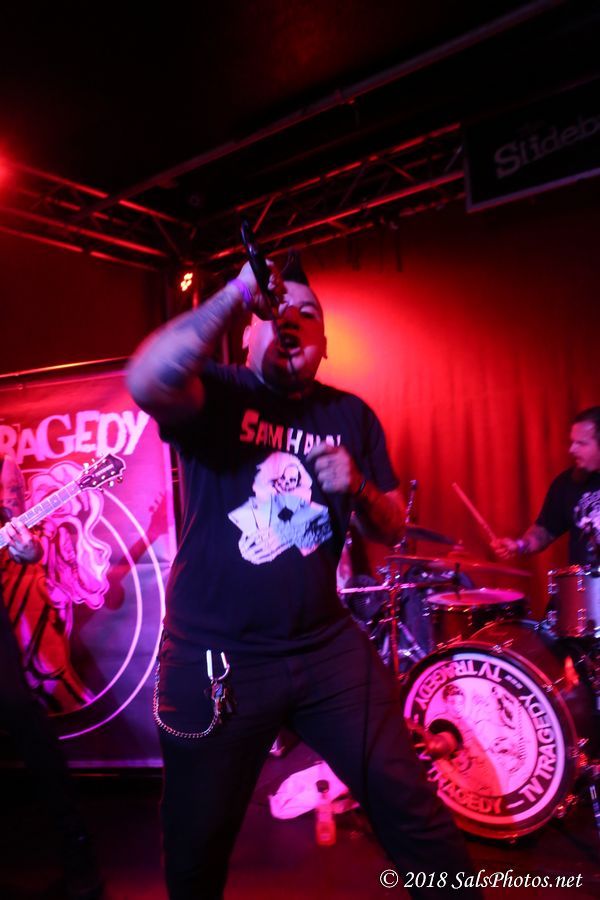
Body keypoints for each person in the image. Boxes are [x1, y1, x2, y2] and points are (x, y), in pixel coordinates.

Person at [127, 254, 483, 899]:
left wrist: (361, 488)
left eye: (308, 314)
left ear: (325, 343)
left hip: (325, 647)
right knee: (196, 844)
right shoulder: (218, 393)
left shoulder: (352, 415)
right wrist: (237, 293)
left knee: (412, 809)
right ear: (247, 334)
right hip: (215, 658)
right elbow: (148, 379)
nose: (290, 319)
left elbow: (390, 524)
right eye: (275, 310)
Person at [0, 452, 103, 900]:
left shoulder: (5, 471)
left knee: (27, 724)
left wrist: (28, 550)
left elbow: (26, 542)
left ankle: (80, 860)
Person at [492, 407, 600, 565]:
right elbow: (546, 530)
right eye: (572, 442)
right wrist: (520, 545)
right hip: (587, 580)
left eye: (581, 443)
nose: (572, 449)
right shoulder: (567, 483)